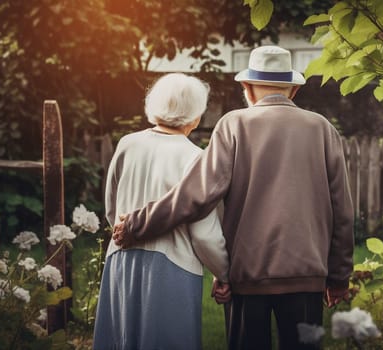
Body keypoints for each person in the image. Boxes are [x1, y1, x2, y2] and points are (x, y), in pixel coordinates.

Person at [113, 46, 354, 350]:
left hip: (247, 276)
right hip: (306, 276)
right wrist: (339, 276)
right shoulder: (322, 129)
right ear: (293, 89)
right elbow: (342, 211)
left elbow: (196, 194)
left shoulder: (233, 124)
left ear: (247, 88)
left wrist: (137, 223)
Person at [93, 73, 231, 350]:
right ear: (195, 116)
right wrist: (224, 274)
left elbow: (111, 207)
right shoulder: (195, 158)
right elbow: (204, 234)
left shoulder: (127, 144)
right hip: (172, 267)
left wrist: (123, 236)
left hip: (121, 257)